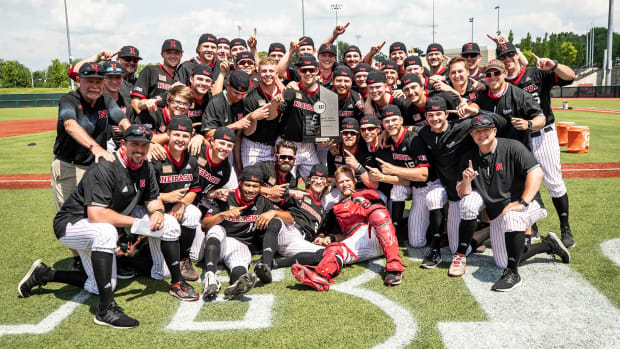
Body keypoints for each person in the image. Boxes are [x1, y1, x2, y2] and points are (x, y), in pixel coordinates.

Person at [19, 125, 200, 329]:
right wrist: (137, 225)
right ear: (123, 144)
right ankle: (105, 309)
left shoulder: (145, 166)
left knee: (168, 225)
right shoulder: (105, 166)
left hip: (102, 223)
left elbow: (152, 199)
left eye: (144, 145)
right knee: (106, 232)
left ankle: (45, 274)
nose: (139, 150)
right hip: (72, 223)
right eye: (134, 145)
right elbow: (96, 215)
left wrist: (157, 212)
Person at [456, 114, 570, 291]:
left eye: (486, 130)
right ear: (471, 135)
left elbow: (536, 172)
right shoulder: (469, 157)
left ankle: (513, 274)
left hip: (528, 203)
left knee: (513, 219)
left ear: (494, 131)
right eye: (477, 131)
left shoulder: (512, 147)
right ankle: (547, 245)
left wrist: (523, 202)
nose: (481, 134)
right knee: (501, 260)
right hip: (498, 211)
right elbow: (463, 193)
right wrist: (466, 181)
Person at [52, 62, 131, 270]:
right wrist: (95, 146)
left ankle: (106, 256)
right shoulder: (69, 99)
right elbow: (70, 124)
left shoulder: (106, 99)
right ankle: (79, 260)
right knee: (74, 217)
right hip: (70, 166)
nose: (94, 86)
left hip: (95, 168)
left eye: (98, 81)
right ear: (79, 81)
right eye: (89, 81)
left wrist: (134, 137)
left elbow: (122, 120)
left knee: (101, 212)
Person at [498, 41, 577, 248]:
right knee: (525, 183)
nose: (507, 60)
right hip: (518, 138)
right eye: (503, 57)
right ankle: (532, 227)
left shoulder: (537, 72)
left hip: (543, 134)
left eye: (510, 55)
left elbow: (570, 77)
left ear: (517, 55)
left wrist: (555, 65)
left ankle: (565, 227)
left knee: (553, 181)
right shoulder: (501, 82)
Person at [291, 166, 406, 290]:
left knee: (378, 214)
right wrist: (329, 237)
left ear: (354, 181)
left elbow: (383, 216)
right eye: (341, 182)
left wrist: (364, 202)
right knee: (334, 249)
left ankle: (394, 266)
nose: (345, 184)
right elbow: (341, 235)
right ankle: (320, 276)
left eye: (348, 181)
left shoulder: (369, 194)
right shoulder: (336, 208)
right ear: (337, 185)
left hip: (376, 235)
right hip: (359, 243)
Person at [201, 165, 293, 299]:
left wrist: (273, 212)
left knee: (240, 263)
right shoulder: (226, 197)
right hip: (217, 244)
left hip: (240, 245)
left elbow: (290, 219)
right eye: (247, 185)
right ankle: (210, 277)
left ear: (260, 187)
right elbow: (204, 225)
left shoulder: (262, 201)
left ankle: (236, 286)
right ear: (240, 184)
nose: (251, 190)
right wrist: (223, 215)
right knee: (217, 229)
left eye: (255, 187)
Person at [151, 116, 204, 281]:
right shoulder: (156, 157)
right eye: (177, 134)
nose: (180, 139)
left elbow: (194, 190)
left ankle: (183, 258)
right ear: (168, 134)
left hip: (175, 209)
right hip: (153, 211)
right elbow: (142, 194)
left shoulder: (191, 159)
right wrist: (166, 197)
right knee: (162, 274)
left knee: (194, 213)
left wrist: (181, 203)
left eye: (185, 135)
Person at [275, 55, 323, 179]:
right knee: (283, 182)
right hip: (287, 142)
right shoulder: (292, 89)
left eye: (311, 70)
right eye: (304, 70)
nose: (308, 73)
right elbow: (277, 112)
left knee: (317, 179)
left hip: (308, 145)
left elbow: (326, 123)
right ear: (299, 71)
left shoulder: (324, 94)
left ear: (317, 70)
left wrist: (327, 137)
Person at [241, 57, 285, 167]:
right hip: (252, 145)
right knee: (251, 180)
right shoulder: (250, 97)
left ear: (277, 73)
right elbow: (247, 132)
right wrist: (253, 118)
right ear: (258, 73)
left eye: (271, 71)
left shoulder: (283, 94)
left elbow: (279, 121)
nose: (267, 74)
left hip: (273, 147)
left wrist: (277, 143)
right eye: (264, 71)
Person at [131, 39, 183, 114]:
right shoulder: (151, 71)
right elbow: (135, 102)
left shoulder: (182, 75)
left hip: (174, 123)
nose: (172, 56)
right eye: (169, 53)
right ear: (162, 54)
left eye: (176, 53)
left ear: (181, 55)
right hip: (152, 121)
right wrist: (144, 119)